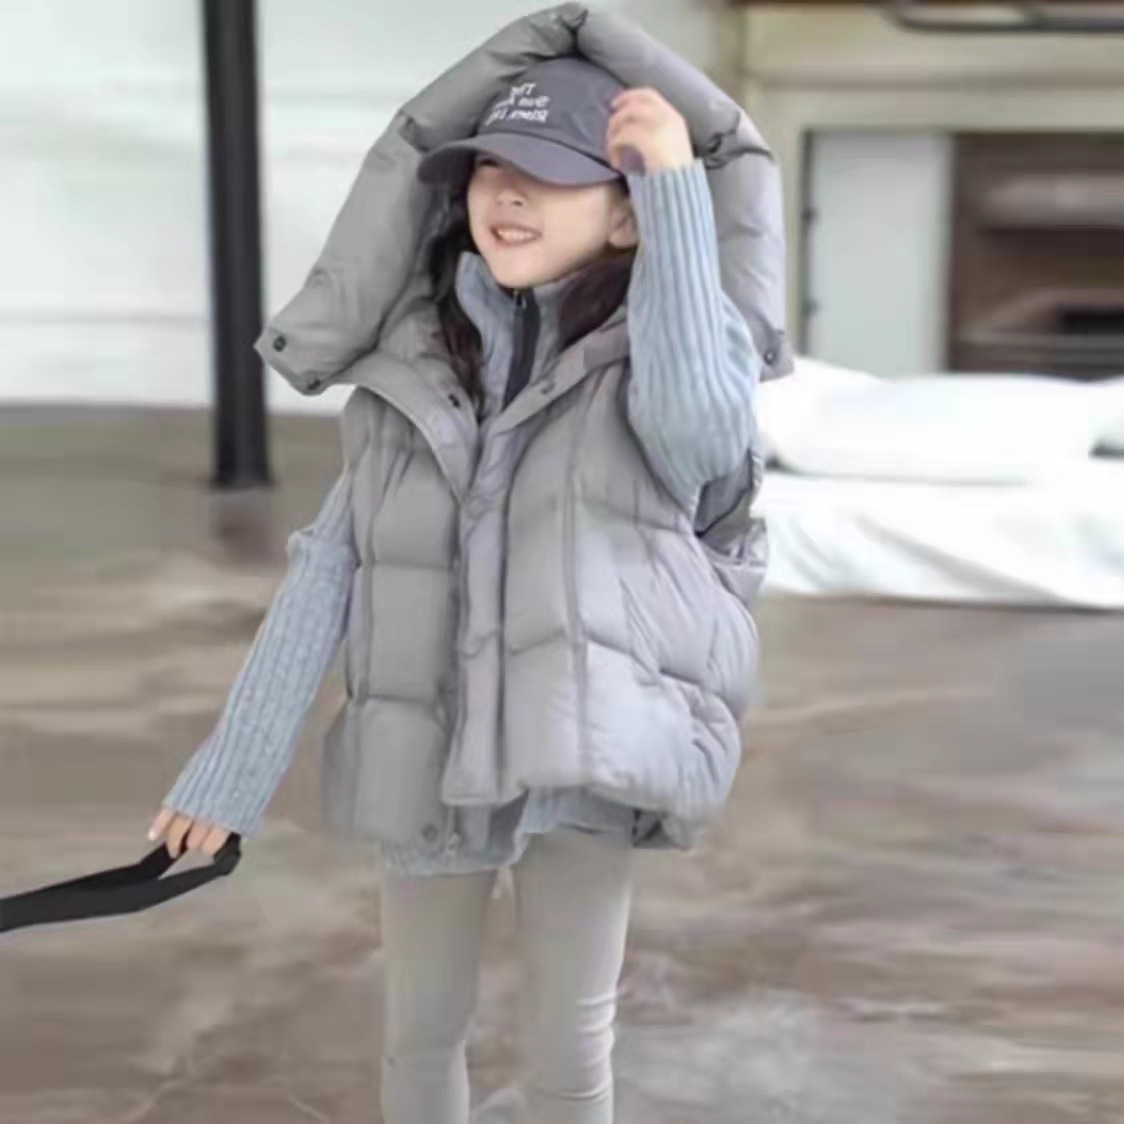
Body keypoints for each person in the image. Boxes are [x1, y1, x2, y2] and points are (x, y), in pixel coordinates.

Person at [150, 8, 792, 1122]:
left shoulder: (662, 368)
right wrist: (227, 774)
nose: (508, 194)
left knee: (565, 1052)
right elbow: (327, 572)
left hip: (580, 756)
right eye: (490, 167)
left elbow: (701, 429)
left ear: (628, 217)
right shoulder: (407, 378)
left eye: (552, 173)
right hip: (427, 751)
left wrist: (680, 190)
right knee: (418, 1034)